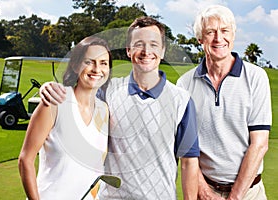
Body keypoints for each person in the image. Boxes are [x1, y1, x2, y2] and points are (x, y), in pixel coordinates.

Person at [39, 16, 200, 199]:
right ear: (128, 50)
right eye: (139, 44)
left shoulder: (182, 100)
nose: (146, 51)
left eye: (154, 44)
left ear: (162, 51)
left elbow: (189, 163)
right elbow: (77, 99)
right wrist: (49, 87)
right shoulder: (106, 91)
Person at [176, 5, 272, 200]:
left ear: (233, 34)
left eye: (225, 30)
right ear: (200, 39)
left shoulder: (256, 77)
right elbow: (187, 150)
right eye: (211, 32)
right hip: (205, 192)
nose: (219, 38)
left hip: (250, 193)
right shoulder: (184, 84)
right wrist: (203, 191)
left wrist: (234, 197)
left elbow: (260, 144)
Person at [18, 36, 112, 200]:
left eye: (103, 63)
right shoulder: (53, 104)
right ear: (76, 65)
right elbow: (25, 160)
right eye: (89, 62)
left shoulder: (104, 111)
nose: (97, 69)